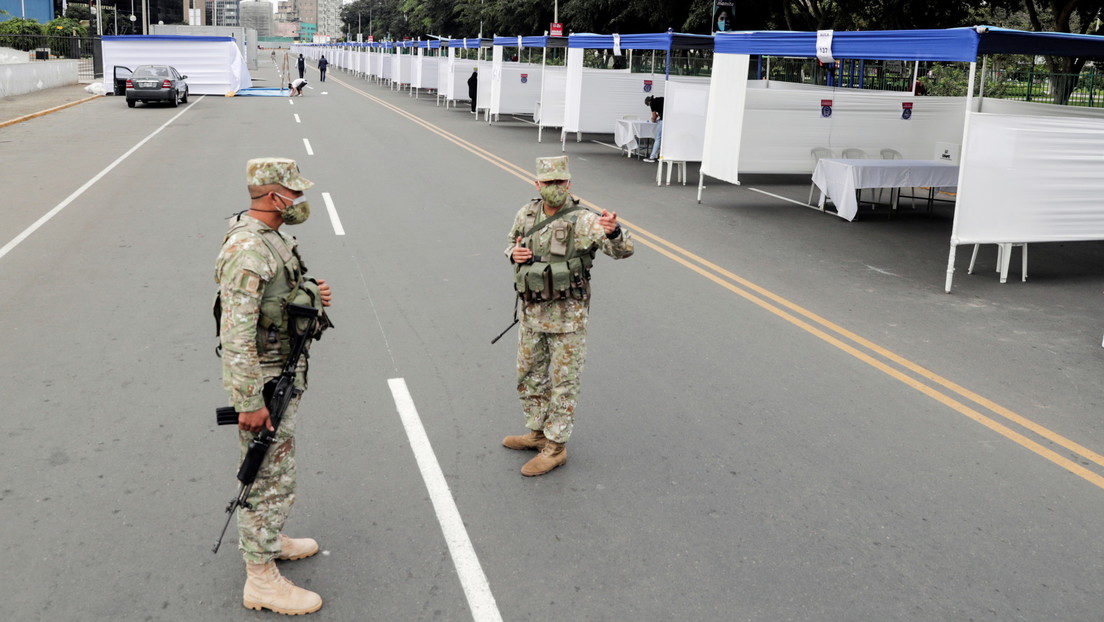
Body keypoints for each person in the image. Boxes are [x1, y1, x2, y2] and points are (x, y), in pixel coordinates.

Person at [215, 157, 333, 615]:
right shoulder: (248, 249)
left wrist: (311, 295)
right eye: (294, 194)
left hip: (279, 372)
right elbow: (236, 332)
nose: (300, 202)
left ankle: (271, 536)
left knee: (276, 474)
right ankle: (260, 577)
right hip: (263, 382)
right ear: (272, 197)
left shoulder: (270, 238)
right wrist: (247, 401)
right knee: (267, 478)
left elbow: (277, 300)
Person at [502, 156, 634, 476]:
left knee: (564, 382)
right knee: (529, 374)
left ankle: (556, 446)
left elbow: (622, 250)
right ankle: (537, 431)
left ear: (569, 183)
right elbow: (511, 243)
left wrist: (614, 233)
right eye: (548, 183)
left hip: (567, 317)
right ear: (537, 184)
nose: (555, 188)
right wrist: (513, 254)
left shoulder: (583, 220)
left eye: (560, 182)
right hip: (532, 312)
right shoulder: (527, 213)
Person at [643, 95, 664, 162]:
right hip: (670, 119)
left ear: (649, 102)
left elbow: (654, 117)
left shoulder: (652, 103)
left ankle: (653, 157)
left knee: (658, 138)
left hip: (663, 120)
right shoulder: (660, 99)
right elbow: (662, 110)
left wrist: (653, 119)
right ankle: (662, 155)